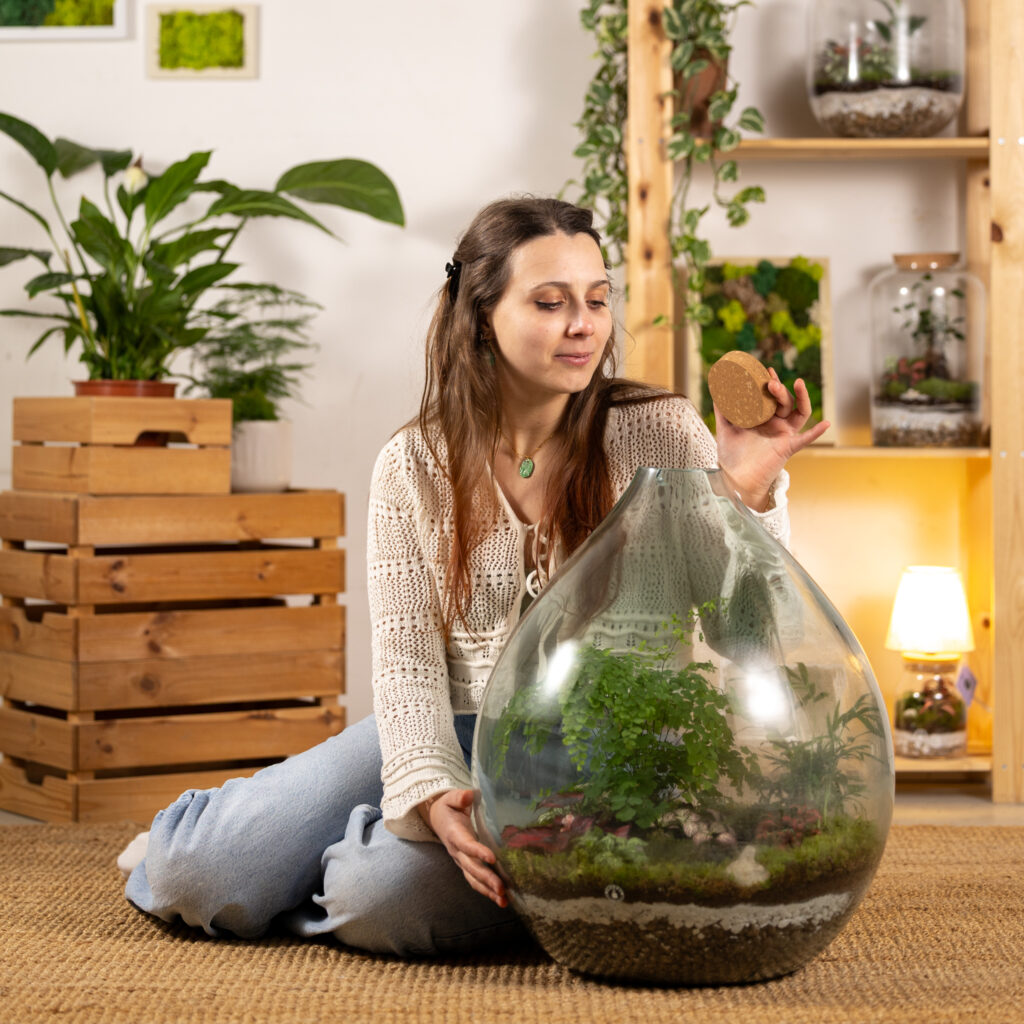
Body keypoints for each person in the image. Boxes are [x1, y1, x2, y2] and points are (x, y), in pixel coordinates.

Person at [119, 196, 828, 955]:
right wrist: (428, 792)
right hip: (447, 728)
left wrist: (745, 495)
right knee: (196, 870)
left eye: (597, 300)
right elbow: (406, 663)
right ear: (481, 311)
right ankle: (280, 846)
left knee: (376, 897)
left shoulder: (661, 432)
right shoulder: (412, 464)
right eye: (550, 302)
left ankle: (335, 870)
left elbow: (751, 635)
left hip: (602, 759)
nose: (583, 325)